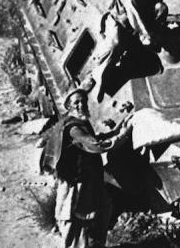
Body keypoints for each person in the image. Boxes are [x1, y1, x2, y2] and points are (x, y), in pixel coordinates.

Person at [54, 87, 130, 248]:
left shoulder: (80, 121)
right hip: (77, 186)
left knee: (103, 210)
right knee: (77, 224)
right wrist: (122, 136)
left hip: (90, 180)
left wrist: (115, 130)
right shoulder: (74, 129)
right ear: (69, 106)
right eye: (76, 103)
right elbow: (96, 146)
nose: (81, 105)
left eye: (83, 101)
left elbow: (95, 138)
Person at [85, 0, 173, 92]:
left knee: (161, 8)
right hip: (118, 20)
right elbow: (135, 19)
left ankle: (143, 46)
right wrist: (146, 37)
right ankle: (95, 77)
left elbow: (155, 3)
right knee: (114, 45)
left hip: (140, 16)